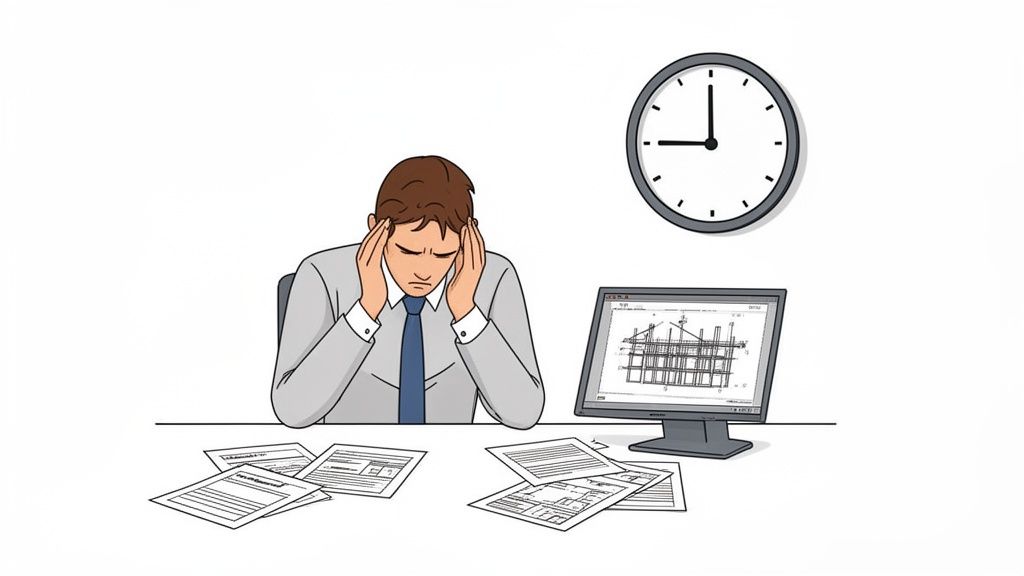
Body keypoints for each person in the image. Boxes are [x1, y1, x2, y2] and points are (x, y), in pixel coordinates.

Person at [271, 155, 544, 428]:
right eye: (408, 251)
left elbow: (523, 414)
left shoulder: (492, 277)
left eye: (442, 254)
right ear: (375, 229)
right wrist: (365, 311)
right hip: (354, 458)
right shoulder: (323, 274)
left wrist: (467, 312)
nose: (424, 271)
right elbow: (292, 411)